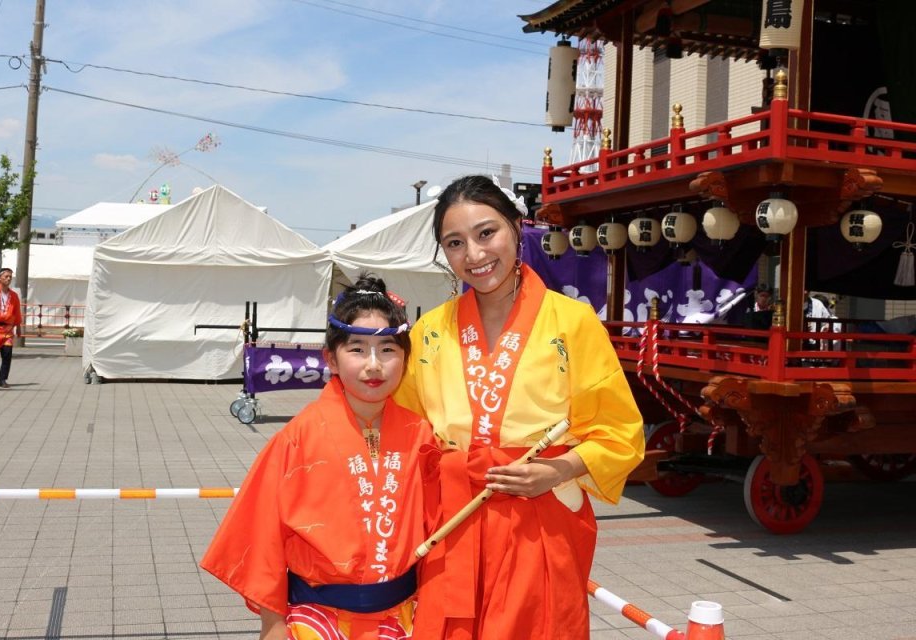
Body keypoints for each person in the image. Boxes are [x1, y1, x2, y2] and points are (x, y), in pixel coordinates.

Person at [394, 175, 645, 639]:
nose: (474, 254)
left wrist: (558, 469)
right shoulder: (429, 331)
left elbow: (619, 431)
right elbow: (404, 428)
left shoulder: (572, 321)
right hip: (452, 515)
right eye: (454, 243)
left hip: (540, 514)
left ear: (515, 227)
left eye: (486, 233)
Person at [200, 274, 437, 640]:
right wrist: (273, 624)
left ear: (405, 359)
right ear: (332, 359)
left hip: (404, 616)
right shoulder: (298, 437)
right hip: (317, 619)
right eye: (357, 349)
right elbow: (262, 534)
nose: (374, 365)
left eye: (388, 349)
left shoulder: (421, 434)